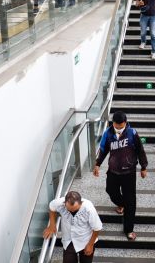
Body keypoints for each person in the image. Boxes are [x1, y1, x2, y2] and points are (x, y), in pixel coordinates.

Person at [94, 111, 148, 241]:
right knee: (111, 191)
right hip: (113, 170)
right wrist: (97, 164)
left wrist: (143, 167)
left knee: (131, 200)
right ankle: (122, 204)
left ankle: (129, 229)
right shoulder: (108, 133)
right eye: (115, 125)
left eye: (120, 126)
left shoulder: (132, 133)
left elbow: (140, 151)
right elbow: (103, 149)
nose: (118, 128)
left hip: (129, 173)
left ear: (125, 123)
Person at [43, 191, 103, 263]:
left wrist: (90, 244)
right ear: (64, 203)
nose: (72, 212)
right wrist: (52, 225)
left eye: (75, 210)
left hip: (86, 240)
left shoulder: (89, 208)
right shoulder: (59, 203)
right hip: (68, 241)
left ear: (81, 203)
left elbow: (97, 228)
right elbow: (51, 207)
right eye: (69, 210)